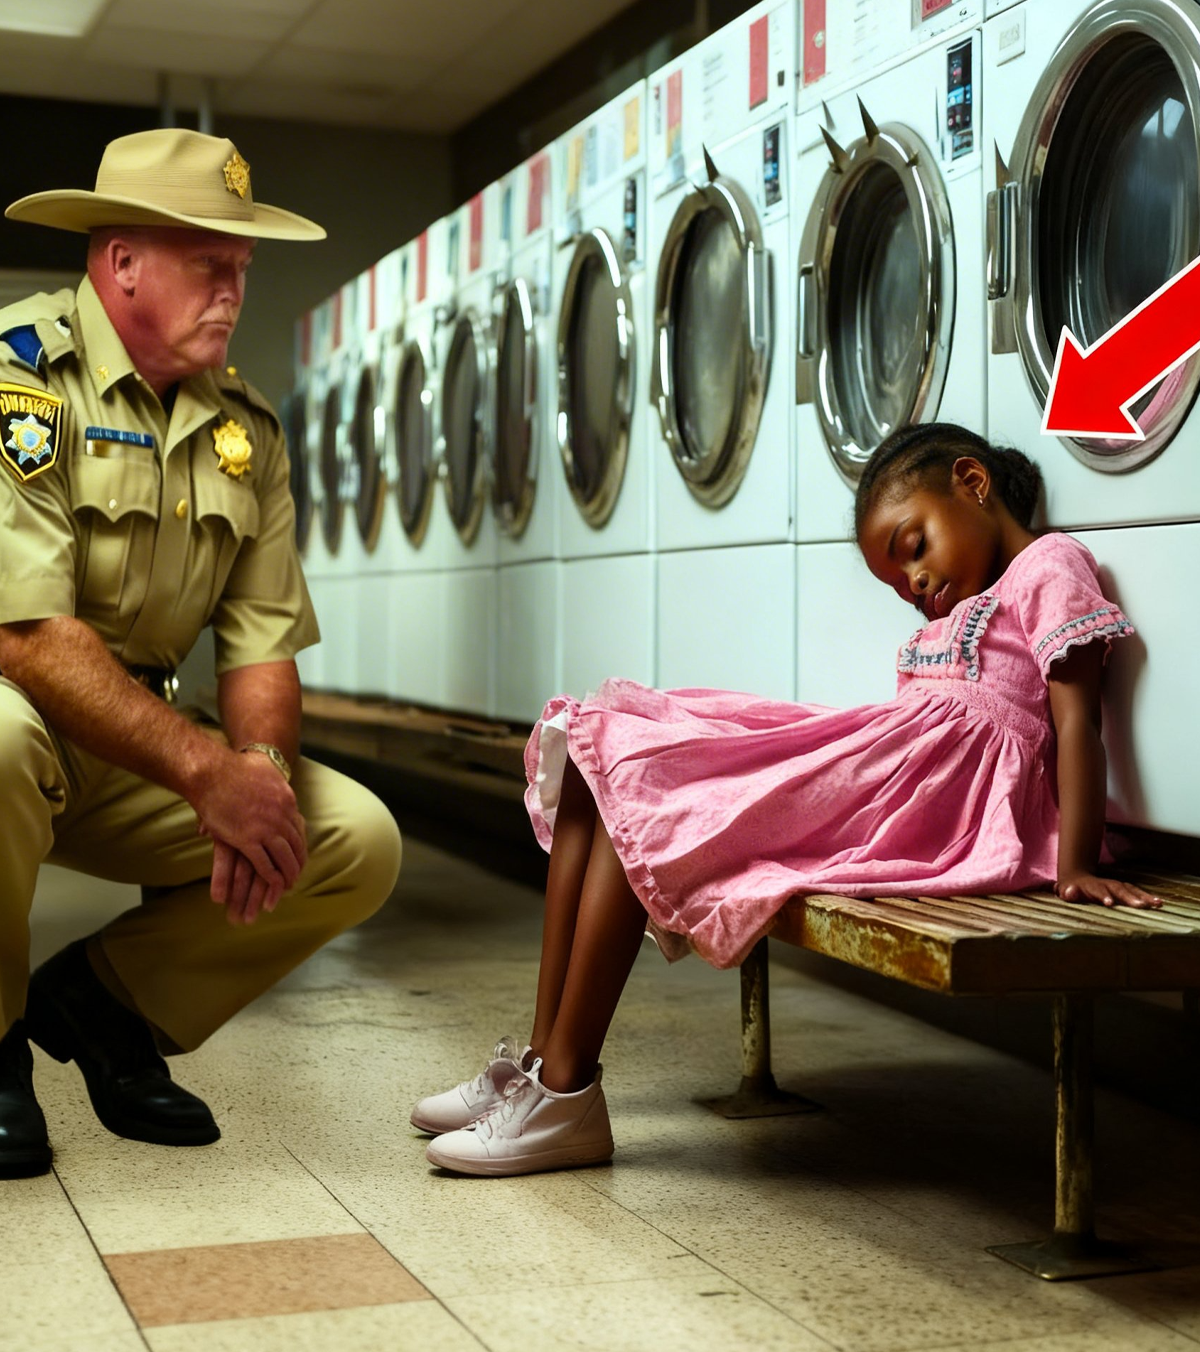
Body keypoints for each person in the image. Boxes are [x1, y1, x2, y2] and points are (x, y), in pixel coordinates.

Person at [410, 422, 1162, 1178]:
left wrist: (1074, 865)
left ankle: (567, 1092)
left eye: (912, 547)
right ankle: (541, 1064)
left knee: (643, 776)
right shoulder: (976, 598)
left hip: (937, 805)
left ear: (973, 483)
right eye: (899, 583)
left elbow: (1076, 721)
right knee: (598, 753)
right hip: (891, 773)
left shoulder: (1049, 562)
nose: (915, 585)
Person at [0, 129, 402, 1181]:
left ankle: (104, 1004)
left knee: (352, 839)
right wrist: (202, 769)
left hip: (145, 742)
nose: (233, 290)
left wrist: (259, 776)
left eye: (242, 268)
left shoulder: (246, 428)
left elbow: (261, 643)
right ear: (121, 260)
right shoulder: (22, 381)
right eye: (208, 263)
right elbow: (28, 638)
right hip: (26, 720)